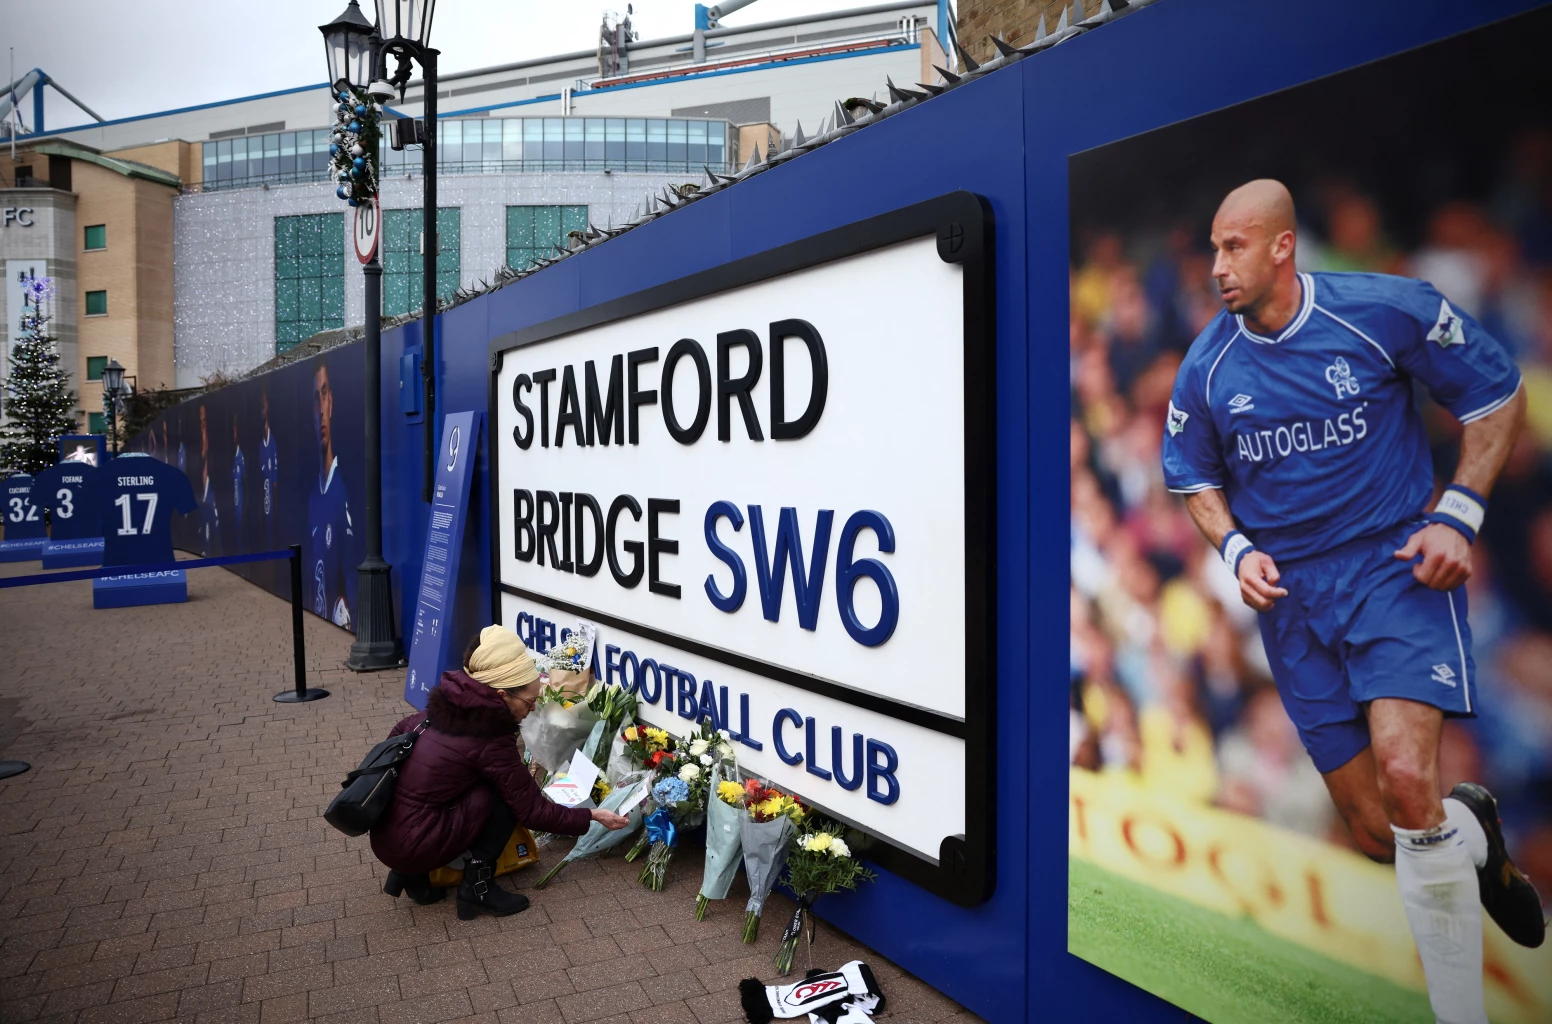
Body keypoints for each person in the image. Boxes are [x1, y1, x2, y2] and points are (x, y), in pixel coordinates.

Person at [1162, 179, 1542, 1024]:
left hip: (1393, 568)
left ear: (1282, 246)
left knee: (1409, 782)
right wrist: (1235, 548)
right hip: (1293, 601)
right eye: (1213, 248)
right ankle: (1472, 835)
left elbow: (1496, 392)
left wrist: (1461, 512)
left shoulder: (1385, 310)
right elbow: (1191, 475)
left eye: (1234, 246)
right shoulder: (1208, 365)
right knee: (1381, 832)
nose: (1217, 265)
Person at [370, 625, 630, 919]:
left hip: (385, 835)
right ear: (503, 694)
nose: (532, 710)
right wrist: (594, 816)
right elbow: (533, 812)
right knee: (505, 798)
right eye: (530, 702)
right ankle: (476, 888)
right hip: (414, 845)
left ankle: (415, 879)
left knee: (469, 787)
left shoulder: (430, 713)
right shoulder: (489, 739)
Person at [306, 360, 353, 626]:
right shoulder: (312, 499)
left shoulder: (346, 492)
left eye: (324, 395)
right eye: (315, 399)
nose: (321, 409)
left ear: (331, 402)